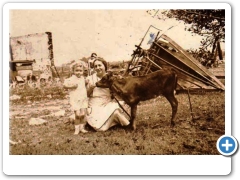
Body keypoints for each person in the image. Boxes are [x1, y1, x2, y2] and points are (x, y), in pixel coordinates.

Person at [86, 57, 130, 131]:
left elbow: (117, 93)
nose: (97, 68)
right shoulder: (90, 79)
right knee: (100, 127)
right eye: (95, 66)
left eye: (100, 65)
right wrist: (91, 87)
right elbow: (86, 95)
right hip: (95, 104)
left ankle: (125, 124)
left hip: (107, 102)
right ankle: (125, 124)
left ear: (105, 66)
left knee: (123, 106)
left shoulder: (111, 77)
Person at [63, 60, 89, 135]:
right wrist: (71, 86)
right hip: (75, 99)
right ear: (73, 71)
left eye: (80, 71)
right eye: (76, 70)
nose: (78, 72)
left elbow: (85, 85)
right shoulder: (71, 78)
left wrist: (86, 83)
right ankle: (76, 129)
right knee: (77, 115)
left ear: (83, 71)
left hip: (83, 99)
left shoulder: (83, 78)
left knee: (83, 114)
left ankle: (82, 128)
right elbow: (64, 85)